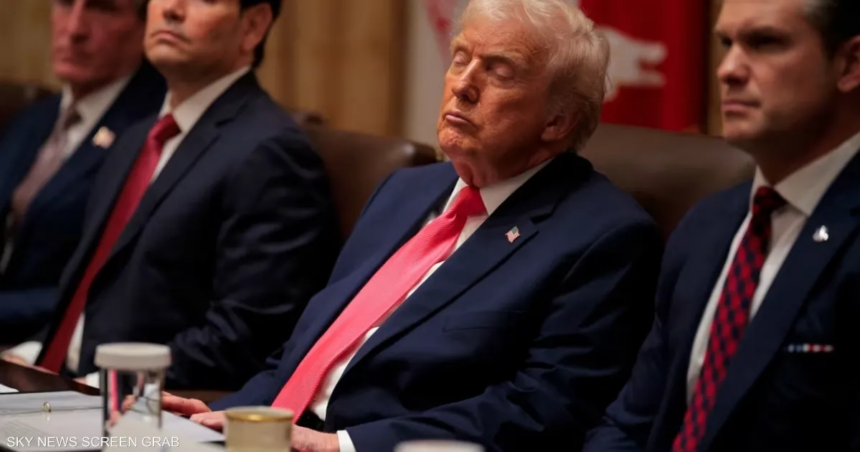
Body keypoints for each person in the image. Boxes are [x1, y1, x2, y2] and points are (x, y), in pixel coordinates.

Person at [159, 0, 663, 451]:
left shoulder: (605, 237)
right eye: (461, 58)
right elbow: (310, 353)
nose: (463, 84)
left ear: (557, 120)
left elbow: (543, 410)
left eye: (500, 71)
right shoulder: (405, 191)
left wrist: (341, 445)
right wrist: (226, 416)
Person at [3, 0, 339, 391]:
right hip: (57, 380)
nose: (171, 9)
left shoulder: (270, 152)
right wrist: (30, 354)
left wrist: (98, 385)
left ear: (253, 25)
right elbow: (89, 298)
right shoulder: (135, 137)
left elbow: (244, 337)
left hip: (134, 403)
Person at [583, 0, 860, 451]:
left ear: (850, 64)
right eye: (727, 44)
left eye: (765, 43)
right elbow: (634, 420)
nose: (728, 69)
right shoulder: (707, 223)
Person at [0, 0, 165, 343]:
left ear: (145, 26)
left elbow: (112, 289)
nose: (74, 29)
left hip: (53, 346)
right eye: (65, 4)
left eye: (102, 8)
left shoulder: (153, 133)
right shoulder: (35, 116)